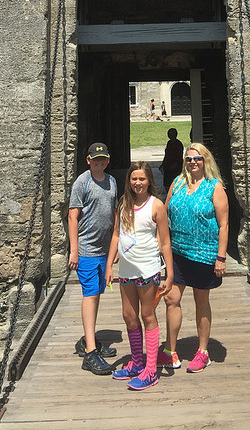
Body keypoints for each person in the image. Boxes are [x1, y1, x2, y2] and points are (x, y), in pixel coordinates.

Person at [159, 142, 229, 373]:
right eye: (189, 159)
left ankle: (202, 351)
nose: (192, 163)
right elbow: (164, 212)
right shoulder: (178, 182)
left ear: (205, 160)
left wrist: (221, 257)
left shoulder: (214, 187)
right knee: (171, 298)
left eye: (197, 158)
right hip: (177, 252)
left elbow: (223, 224)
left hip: (203, 254)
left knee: (201, 301)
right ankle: (170, 350)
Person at [106, 162, 173, 391]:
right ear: (129, 181)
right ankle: (136, 362)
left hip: (148, 269)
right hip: (126, 270)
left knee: (148, 315)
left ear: (149, 181)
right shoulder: (123, 203)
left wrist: (169, 273)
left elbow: (164, 241)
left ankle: (151, 370)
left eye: (142, 179)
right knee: (129, 315)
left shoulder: (156, 206)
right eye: (134, 179)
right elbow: (116, 234)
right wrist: (108, 265)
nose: (137, 183)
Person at [68, 142, 118, 375]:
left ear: (108, 160)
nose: (99, 162)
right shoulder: (82, 182)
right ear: (88, 160)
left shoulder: (111, 182)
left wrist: (115, 247)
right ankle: (90, 352)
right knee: (89, 294)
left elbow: (114, 214)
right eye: (95, 159)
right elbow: (72, 216)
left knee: (96, 293)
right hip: (87, 250)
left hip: (103, 250)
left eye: (103, 159)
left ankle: (88, 339)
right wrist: (74, 250)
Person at [161, 127, 184, 194]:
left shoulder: (178, 144)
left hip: (175, 167)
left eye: (172, 134)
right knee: (166, 183)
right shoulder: (169, 143)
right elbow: (167, 154)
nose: (170, 135)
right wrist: (163, 164)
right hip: (167, 166)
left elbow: (179, 156)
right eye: (169, 134)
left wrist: (175, 165)